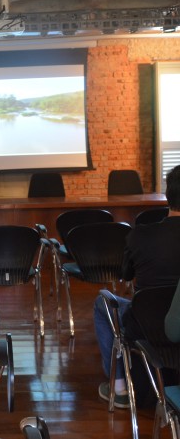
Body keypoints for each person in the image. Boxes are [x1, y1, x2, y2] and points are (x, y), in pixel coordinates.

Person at [93, 165, 180, 407]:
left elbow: (125, 274)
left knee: (102, 302)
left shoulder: (140, 235)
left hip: (146, 326)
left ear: (167, 195)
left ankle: (119, 387)